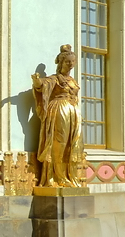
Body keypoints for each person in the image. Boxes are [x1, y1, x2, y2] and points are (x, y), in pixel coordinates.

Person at [31, 45, 85, 187]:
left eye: (73, 61)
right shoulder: (55, 79)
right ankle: (56, 177)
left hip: (73, 113)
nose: (71, 64)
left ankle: (69, 176)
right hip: (59, 111)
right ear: (61, 63)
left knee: (72, 145)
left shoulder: (72, 80)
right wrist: (37, 81)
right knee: (58, 144)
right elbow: (43, 85)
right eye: (68, 61)